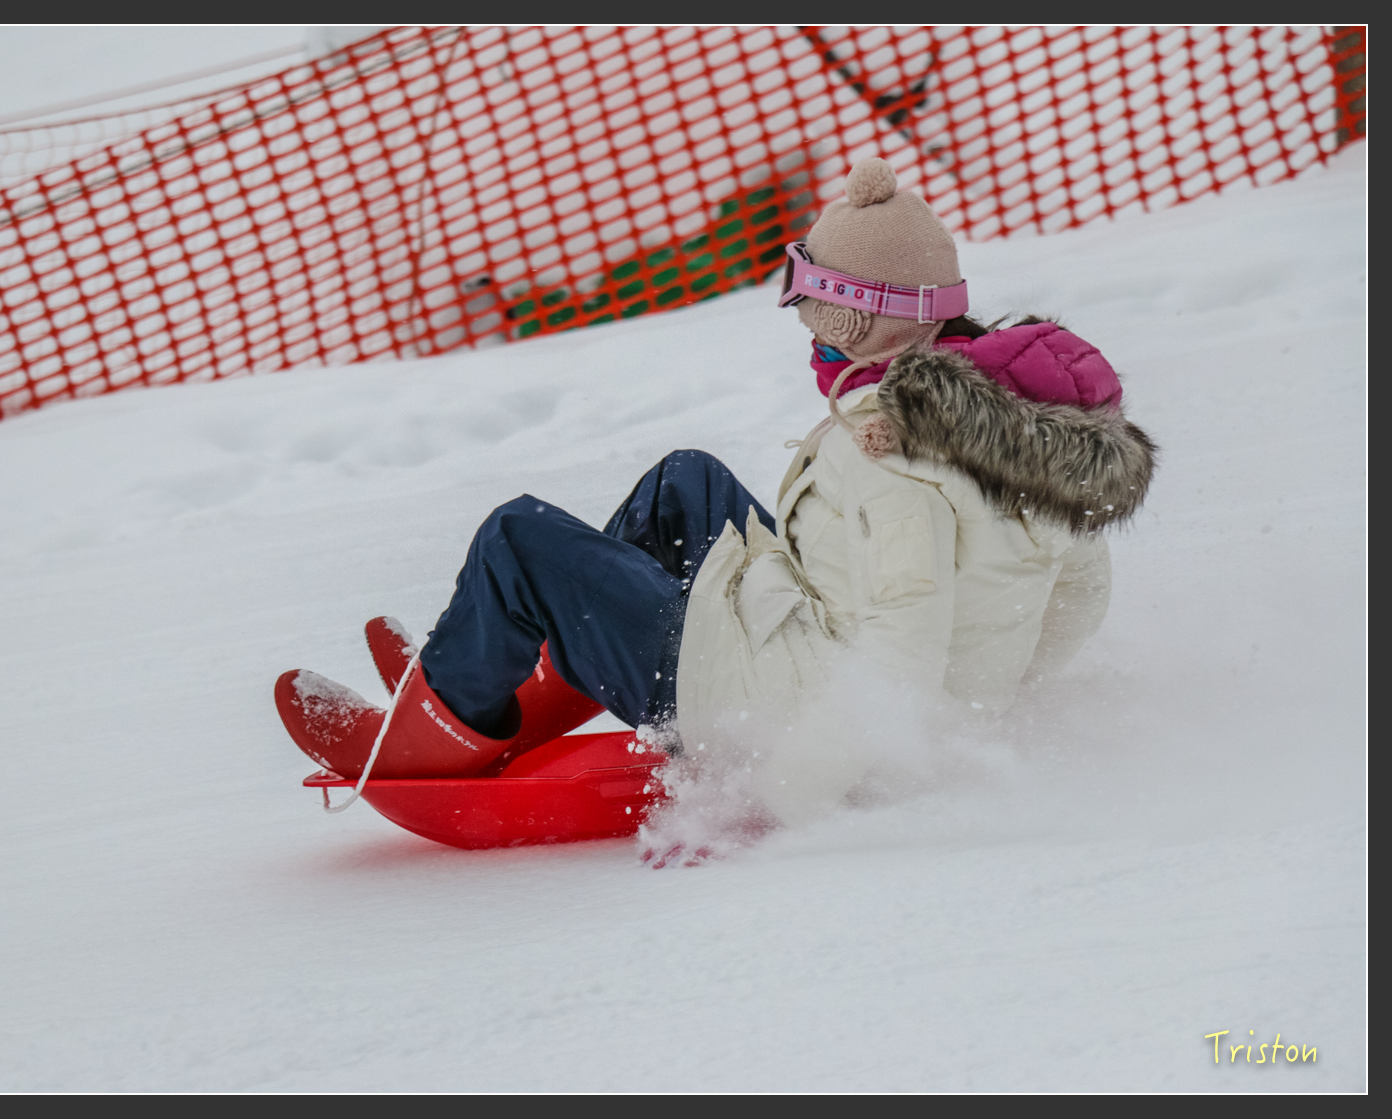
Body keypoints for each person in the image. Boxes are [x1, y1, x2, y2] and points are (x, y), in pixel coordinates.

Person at [274, 157, 1156, 791]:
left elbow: (903, 649)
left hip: (766, 713)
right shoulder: (1023, 429)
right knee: (685, 481)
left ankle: (431, 732)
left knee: (519, 537)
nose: (813, 340)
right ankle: (486, 664)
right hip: (804, 639)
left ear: (874, 324)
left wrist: (777, 789)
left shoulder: (896, 452)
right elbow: (1077, 593)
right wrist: (998, 698)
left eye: (827, 317)